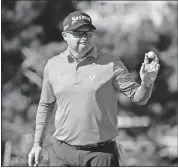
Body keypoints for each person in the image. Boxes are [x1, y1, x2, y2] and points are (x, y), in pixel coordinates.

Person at [28, 11, 160, 167]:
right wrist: (37, 144)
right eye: (78, 32)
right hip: (62, 154)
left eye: (88, 33)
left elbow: (139, 98)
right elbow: (46, 105)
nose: (84, 37)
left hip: (101, 154)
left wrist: (146, 83)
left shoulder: (111, 63)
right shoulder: (53, 65)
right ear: (65, 35)